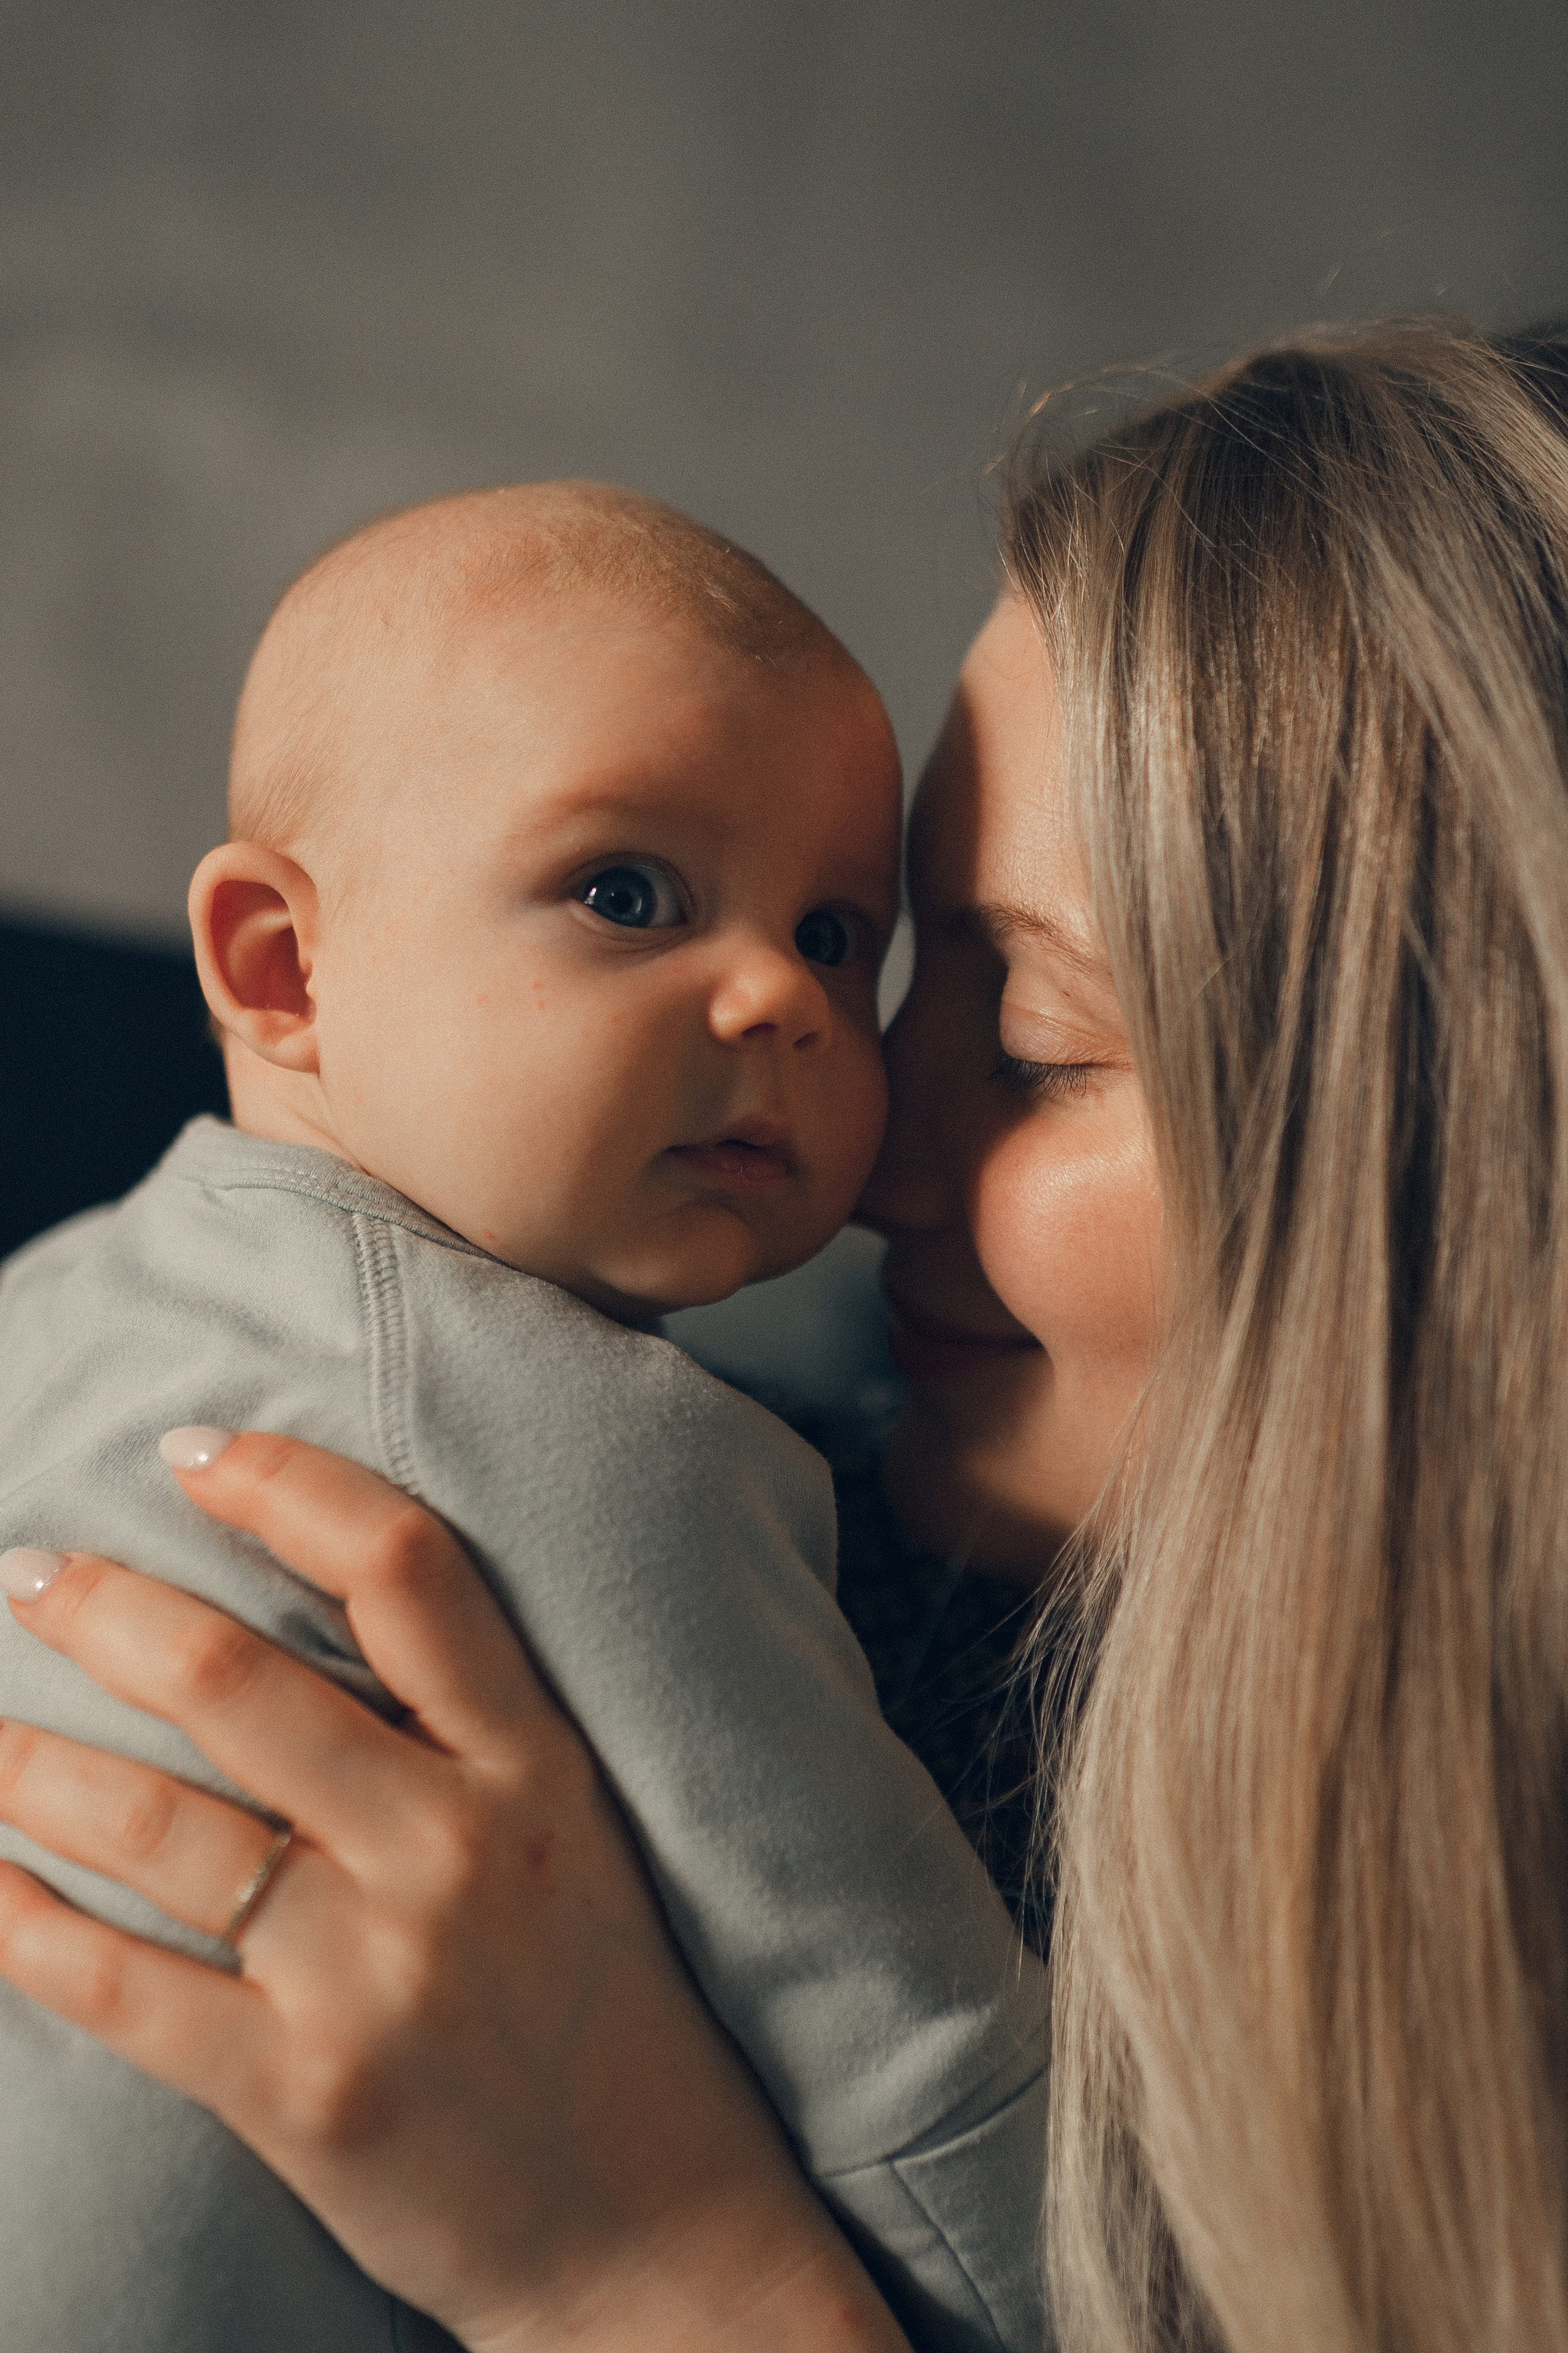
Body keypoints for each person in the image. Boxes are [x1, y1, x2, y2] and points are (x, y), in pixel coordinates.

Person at [3, 314, 1567, 2353]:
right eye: (636, 895)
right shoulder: (791, 1511)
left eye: (1019, 1032)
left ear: (1475, 1191)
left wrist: (654, 2271)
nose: (860, 1140)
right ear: (279, 962)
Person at [0, 484, 1047, 2353]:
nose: (780, 997)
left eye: (833, 931)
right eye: (627, 892)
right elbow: (878, 1997)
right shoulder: (604, 1433)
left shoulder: (64, 1288)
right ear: (278, 965)